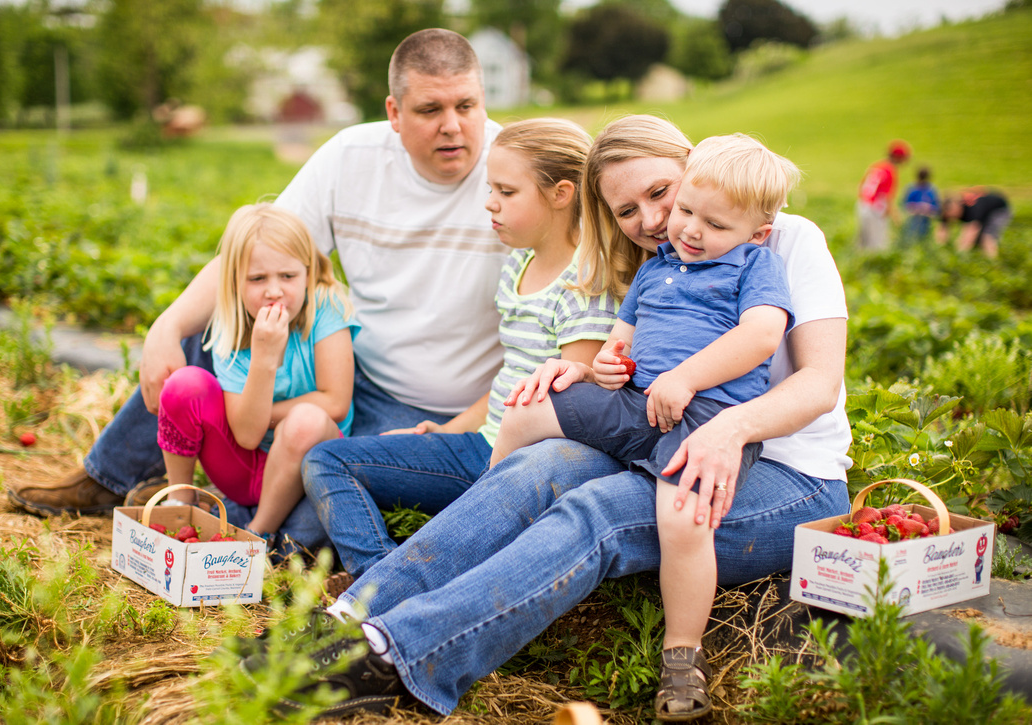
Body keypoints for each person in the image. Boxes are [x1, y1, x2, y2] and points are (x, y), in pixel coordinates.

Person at [235, 115, 852, 721]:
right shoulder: (673, 252)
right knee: (535, 465)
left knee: (600, 513)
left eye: (662, 192)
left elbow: (818, 385)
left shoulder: (784, 242)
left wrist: (731, 427)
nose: (656, 219)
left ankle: (397, 656)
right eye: (627, 209)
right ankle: (349, 619)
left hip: (787, 475)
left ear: (691, 165)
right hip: (665, 440)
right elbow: (634, 363)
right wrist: (584, 373)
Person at [8, 29, 507, 554]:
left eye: (466, 105)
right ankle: (111, 479)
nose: (452, 126)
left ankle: (232, 516)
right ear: (395, 112)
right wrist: (168, 327)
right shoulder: (351, 158)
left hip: (432, 409)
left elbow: (542, 330)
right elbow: (254, 257)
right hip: (349, 367)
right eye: (430, 109)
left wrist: (454, 430)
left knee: (305, 534)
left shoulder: (513, 174)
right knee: (221, 323)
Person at [489, 134, 798, 719]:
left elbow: (760, 335)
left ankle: (683, 655)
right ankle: (496, 517)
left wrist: (685, 378)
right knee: (527, 407)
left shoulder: (756, 265)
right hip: (637, 403)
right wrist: (603, 365)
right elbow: (620, 343)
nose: (689, 230)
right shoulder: (658, 268)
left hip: (705, 418)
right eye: (686, 211)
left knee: (682, 516)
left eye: (715, 224)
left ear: (756, 232)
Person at [299, 118, 616, 577]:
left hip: (517, 469)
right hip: (478, 446)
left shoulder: (584, 288)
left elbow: (570, 412)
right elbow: (513, 379)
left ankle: (387, 587)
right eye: (491, 189)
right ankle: (379, 574)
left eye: (507, 192)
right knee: (326, 459)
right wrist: (445, 431)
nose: (490, 204)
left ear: (561, 194)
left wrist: (494, 470)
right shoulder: (519, 265)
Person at [156, 204, 358, 542]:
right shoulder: (232, 325)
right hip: (243, 467)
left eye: (288, 276)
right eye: (257, 279)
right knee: (184, 386)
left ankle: (257, 534)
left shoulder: (326, 308)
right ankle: (179, 500)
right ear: (234, 282)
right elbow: (246, 436)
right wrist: (264, 355)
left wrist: (262, 414)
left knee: (305, 421)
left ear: (308, 272)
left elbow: (335, 403)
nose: (274, 291)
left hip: (309, 465)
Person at [856, 139, 911, 251]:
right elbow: (887, 197)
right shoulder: (890, 170)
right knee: (877, 245)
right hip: (876, 209)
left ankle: (860, 264)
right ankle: (874, 266)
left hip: (862, 204)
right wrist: (896, 216)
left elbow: (861, 185)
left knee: (863, 242)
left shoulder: (876, 165)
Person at [937, 188, 1010, 259]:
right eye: (948, 216)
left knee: (986, 237)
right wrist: (942, 248)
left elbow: (971, 233)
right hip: (983, 211)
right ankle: (980, 259)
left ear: (957, 207)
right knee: (977, 239)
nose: (952, 218)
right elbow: (942, 231)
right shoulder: (946, 211)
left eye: (952, 214)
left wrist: (959, 253)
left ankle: (993, 262)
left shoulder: (971, 209)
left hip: (998, 210)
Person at [900, 166, 940, 244]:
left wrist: (928, 208)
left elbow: (937, 208)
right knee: (910, 236)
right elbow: (904, 205)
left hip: (926, 219)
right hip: (912, 218)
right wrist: (915, 208)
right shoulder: (912, 189)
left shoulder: (931, 190)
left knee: (924, 238)